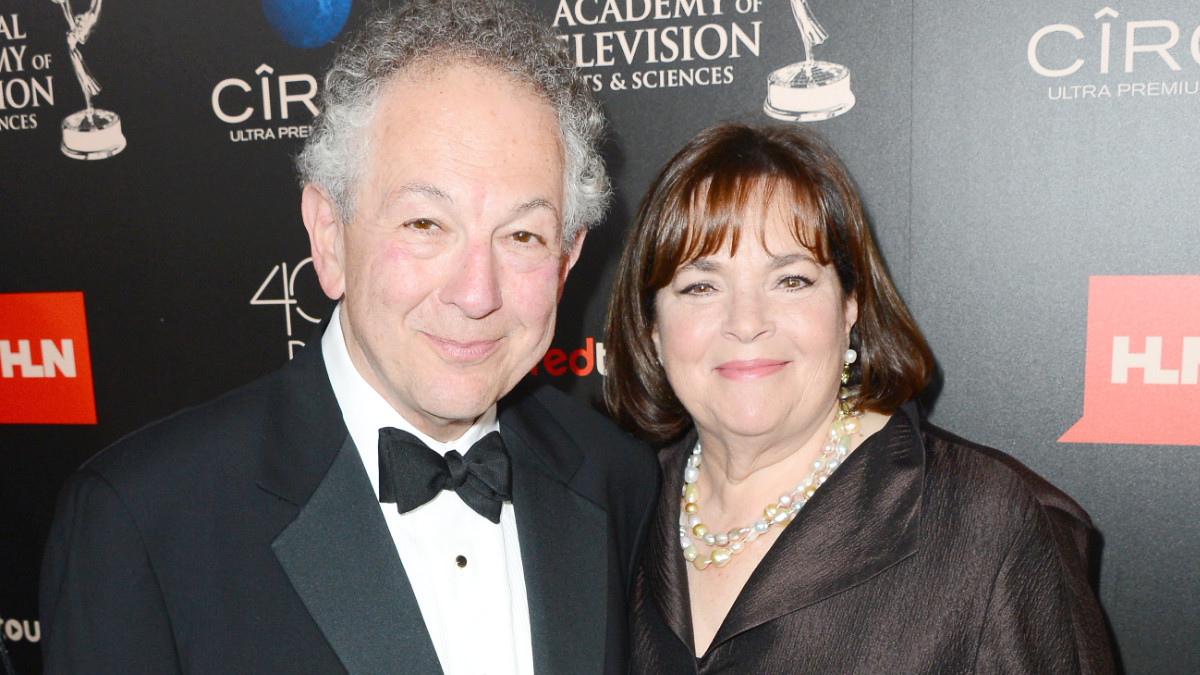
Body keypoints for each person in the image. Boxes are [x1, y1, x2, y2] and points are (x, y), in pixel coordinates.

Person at [39, 1, 658, 672]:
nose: (477, 292)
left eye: (522, 235)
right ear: (329, 237)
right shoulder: (142, 521)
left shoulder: (614, 480)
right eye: (426, 224)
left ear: (566, 263)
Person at [604, 123, 1115, 673]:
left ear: (849, 306)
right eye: (701, 286)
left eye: (791, 280)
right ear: (653, 328)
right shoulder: (614, 509)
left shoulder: (986, 521)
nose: (746, 322)